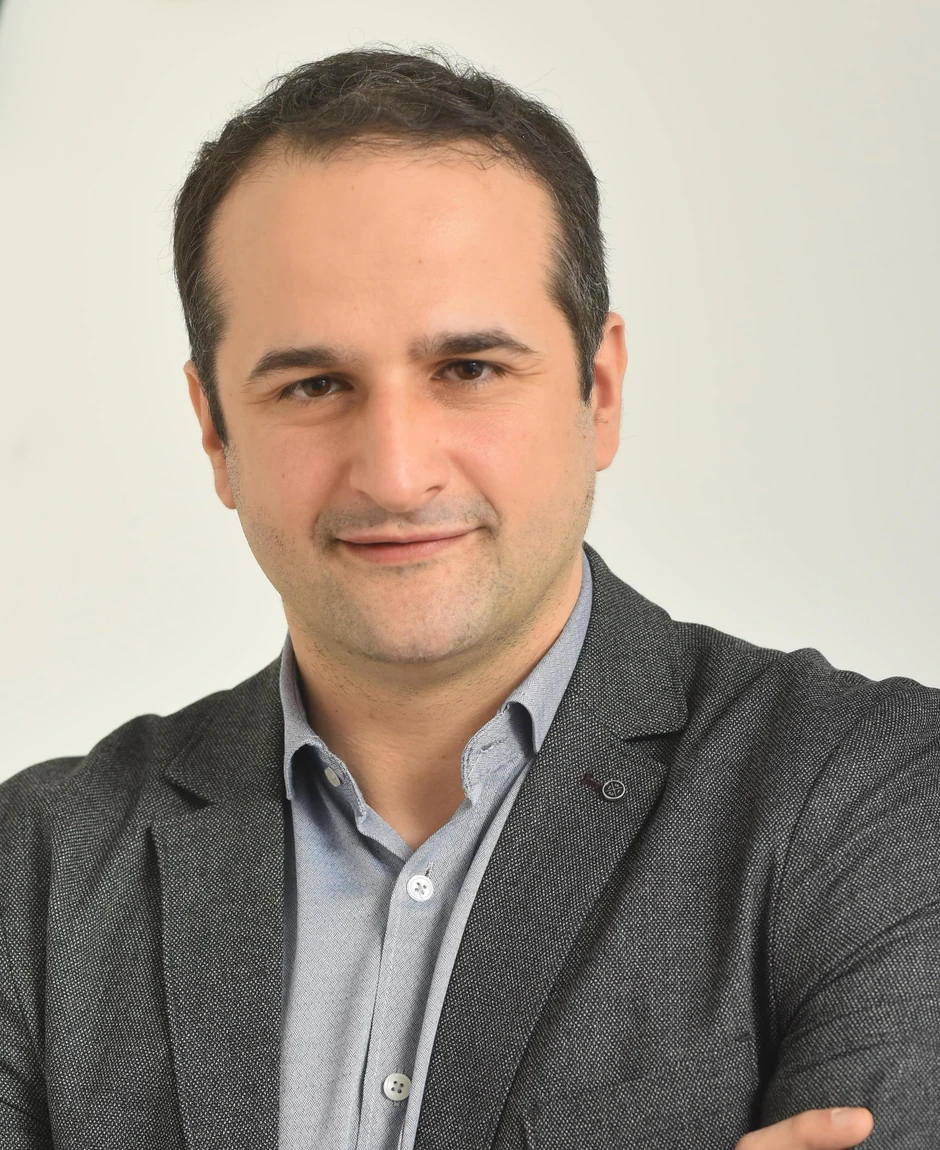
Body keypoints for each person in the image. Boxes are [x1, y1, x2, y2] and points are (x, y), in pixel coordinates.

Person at [3, 45, 936, 1150]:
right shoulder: (39, 868)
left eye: (470, 370)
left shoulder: (871, 795)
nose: (397, 474)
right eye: (314, 384)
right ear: (215, 431)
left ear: (598, 391)